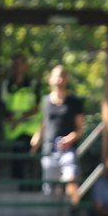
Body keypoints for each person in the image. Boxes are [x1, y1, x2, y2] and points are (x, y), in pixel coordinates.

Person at [31, 65, 84, 206]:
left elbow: (79, 129)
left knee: (71, 179)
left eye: (62, 76)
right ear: (50, 80)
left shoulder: (75, 102)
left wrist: (69, 139)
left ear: (66, 79)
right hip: (49, 149)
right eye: (57, 76)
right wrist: (36, 140)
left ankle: (74, 212)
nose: (59, 79)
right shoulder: (45, 101)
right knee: (51, 189)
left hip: (68, 149)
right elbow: (43, 125)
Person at [1, 54, 42, 187]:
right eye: (15, 63)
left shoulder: (34, 84)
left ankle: (30, 188)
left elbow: (37, 108)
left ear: (25, 65)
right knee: (16, 161)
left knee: (30, 162)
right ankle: (18, 187)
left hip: (30, 131)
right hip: (12, 132)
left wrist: (21, 119)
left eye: (20, 63)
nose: (17, 67)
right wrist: (11, 119)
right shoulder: (6, 85)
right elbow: (2, 107)